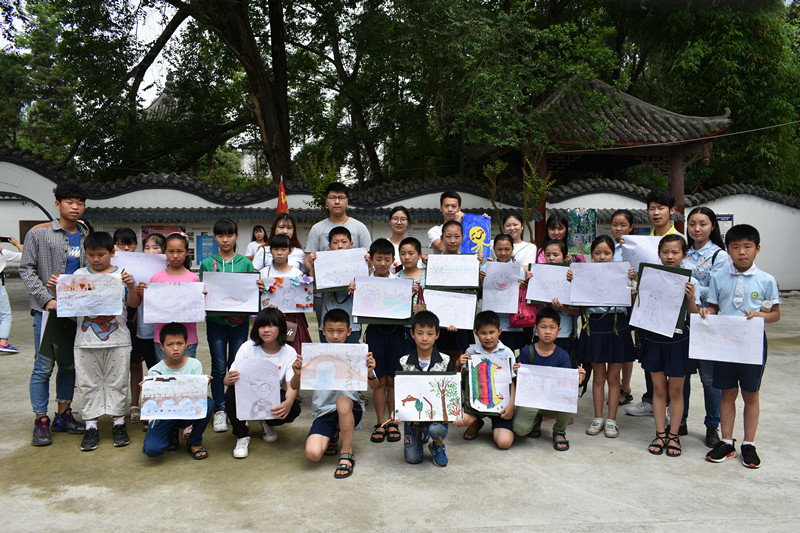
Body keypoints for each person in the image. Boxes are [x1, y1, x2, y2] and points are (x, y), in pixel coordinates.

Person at [47, 231, 141, 451]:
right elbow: (67, 304)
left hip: (118, 339)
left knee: (118, 382)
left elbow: (133, 304)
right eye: (91, 255)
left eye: (101, 254)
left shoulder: (122, 274)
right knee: (88, 384)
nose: (96, 259)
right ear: (86, 254)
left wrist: (131, 286)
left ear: (112, 252)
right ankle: (91, 426)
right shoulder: (79, 275)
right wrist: (55, 288)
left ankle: (119, 423)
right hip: (85, 341)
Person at [700, 224, 781, 469]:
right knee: (727, 392)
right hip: (724, 343)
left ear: (757, 249)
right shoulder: (718, 277)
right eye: (735, 247)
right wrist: (707, 311)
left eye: (747, 247)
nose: (742, 252)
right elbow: (714, 306)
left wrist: (761, 315)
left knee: (750, 393)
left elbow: (775, 314)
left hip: (752, 344)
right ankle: (726, 441)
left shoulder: (766, 280)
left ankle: (749, 444)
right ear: (728, 250)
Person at [19, 181, 89, 446]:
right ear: (58, 204)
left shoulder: (85, 236)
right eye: (70, 202)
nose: (75, 207)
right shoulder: (39, 234)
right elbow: (26, 268)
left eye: (80, 202)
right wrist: (46, 299)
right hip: (47, 311)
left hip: (76, 312)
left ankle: (63, 414)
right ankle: (41, 419)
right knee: (43, 366)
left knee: (69, 365)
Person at [299, 309, 380, 478]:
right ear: (323, 330)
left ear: (349, 331)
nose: (335, 335)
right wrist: (297, 373)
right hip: (324, 411)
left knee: (342, 401)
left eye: (340, 331)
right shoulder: (314, 354)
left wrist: (370, 372)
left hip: (350, 409)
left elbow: (375, 386)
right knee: (313, 454)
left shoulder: (357, 354)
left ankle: (347, 452)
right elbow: (294, 386)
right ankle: (333, 434)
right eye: (330, 331)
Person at [571, 235, 636, 438]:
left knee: (613, 377)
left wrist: (631, 281)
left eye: (607, 253)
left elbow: (633, 299)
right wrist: (572, 279)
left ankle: (612, 419)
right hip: (594, 327)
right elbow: (575, 300)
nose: (602, 257)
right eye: (597, 253)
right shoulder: (584, 274)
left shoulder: (624, 273)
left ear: (613, 254)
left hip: (617, 326)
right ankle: (598, 417)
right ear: (591, 255)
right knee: (599, 376)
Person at [641, 235, 699, 458]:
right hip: (655, 340)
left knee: (676, 391)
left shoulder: (691, 282)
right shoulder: (649, 278)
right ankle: (660, 433)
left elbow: (694, 316)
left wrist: (691, 298)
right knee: (659, 390)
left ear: (684, 255)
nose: (670, 256)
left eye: (675, 252)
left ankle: (673, 435)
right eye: (665, 252)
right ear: (658, 254)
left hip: (678, 341)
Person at [198, 218, 258, 433]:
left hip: (240, 322)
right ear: (215, 237)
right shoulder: (207, 263)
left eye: (229, 235)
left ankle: (235, 407)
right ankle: (220, 410)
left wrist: (258, 286)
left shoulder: (245, 263)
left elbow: (251, 291)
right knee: (218, 365)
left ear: (236, 236)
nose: (225, 239)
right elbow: (201, 291)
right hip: (216, 322)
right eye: (220, 235)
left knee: (236, 365)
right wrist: (202, 292)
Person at [627, 189, 680, 418]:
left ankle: (672, 407)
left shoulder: (680, 240)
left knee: (673, 362)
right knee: (649, 357)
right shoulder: (642, 242)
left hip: (673, 310)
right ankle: (650, 400)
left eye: (661, 208)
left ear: (672, 211)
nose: (656, 213)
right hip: (647, 308)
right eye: (652, 208)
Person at [223, 308, 303, 458]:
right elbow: (230, 379)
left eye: (272, 325)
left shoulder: (289, 352)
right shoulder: (248, 347)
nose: (266, 330)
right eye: (262, 326)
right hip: (247, 393)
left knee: (293, 408)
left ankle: (266, 422)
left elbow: (291, 385)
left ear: (281, 328)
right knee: (230, 394)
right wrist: (227, 380)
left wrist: (289, 402)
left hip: (270, 395)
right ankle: (241, 436)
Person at [684, 207, 729, 448]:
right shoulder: (683, 252)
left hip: (706, 322)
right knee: (681, 375)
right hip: (681, 321)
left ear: (713, 226)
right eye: (692, 224)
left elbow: (718, 291)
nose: (697, 229)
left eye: (702, 223)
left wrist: (691, 286)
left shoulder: (719, 256)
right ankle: (680, 420)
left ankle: (712, 425)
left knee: (709, 378)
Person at [512, 306, 586, 451]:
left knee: (569, 398)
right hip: (532, 399)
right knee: (520, 430)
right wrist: (516, 373)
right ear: (535, 329)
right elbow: (519, 383)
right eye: (543, 327)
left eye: (552, 327)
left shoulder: (562, 355)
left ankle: (559, 431)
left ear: (559, 330)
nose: (547, 331)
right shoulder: (527, 352)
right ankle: (536, 420)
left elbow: (566, 385)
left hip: (553, 400)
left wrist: (576, 379)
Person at [141, 322, 213, 460]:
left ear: (186, 344)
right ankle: (171, 433)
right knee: (152, 450)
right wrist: (146, 392)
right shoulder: (155, 371)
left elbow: (197, 397)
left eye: (180, 343)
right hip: (164, 415)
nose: (175, 348)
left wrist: (203, 385)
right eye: (169, 344)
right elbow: (154, 406)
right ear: (162, 346)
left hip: (186, 411)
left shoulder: (194, 365)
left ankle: (194, 442)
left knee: (208, 403)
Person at [358, 238, 405, 444]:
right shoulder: (363, 282)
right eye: (379, 259)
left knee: (393, 380)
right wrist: (355, 289)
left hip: (397, 333)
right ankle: (380, 422)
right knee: (379, 381)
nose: (383, 263)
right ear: (371, 259)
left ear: (393, 260)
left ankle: (393, 421)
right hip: (375, 333)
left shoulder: (400, 283)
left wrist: (410, 294)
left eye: (387, 259)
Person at [453, 311, 516, 449]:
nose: (488, 337)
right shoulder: (470, 352)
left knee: (504, 443)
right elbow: (463, 381)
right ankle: (476, 422)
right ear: (476, 333)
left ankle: (498, 425)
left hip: (501, 406)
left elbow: (512, 382)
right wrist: (458, 365)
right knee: (458, 418)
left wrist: (511, 405)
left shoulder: (507, 352)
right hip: (476, 404)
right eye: (483, 333)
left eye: (492, 332)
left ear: (499, 331)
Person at [398, 310, 451, 466]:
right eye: (420, 333)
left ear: (437, 335)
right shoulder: (403, 362)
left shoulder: (445, 361)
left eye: (430, 333)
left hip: (436, 415)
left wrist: (454, 413)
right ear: (412, 334)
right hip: (412, 417)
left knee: (437, 430)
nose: (425, 338)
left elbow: (450, 391)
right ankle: (422, 434)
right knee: (413, 459)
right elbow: (399, 390)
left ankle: (437, 445)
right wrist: (397, 411)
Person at [141, 232, 200, 361]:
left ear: (187, 252)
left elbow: (196, 308)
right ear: (165, 252)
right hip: (163, 339)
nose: (175, 255)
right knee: (165, 372)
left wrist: (202, 298)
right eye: (171, 251)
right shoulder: (156, 278)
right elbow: (151, 306)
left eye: (180, 251)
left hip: (187, 339)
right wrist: (144, 293)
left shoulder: (193, 279)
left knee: (186, 372)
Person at [129, 232, 166, 424]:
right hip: (145, 327)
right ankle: (152, 407)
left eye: (156, 247)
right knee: (152, 369)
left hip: (165, 329)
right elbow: (133, 301)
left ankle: (165, 407)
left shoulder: (168, 269)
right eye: (147, 247)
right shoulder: (137, 270)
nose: (151, 251)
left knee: (165, 368)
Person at [258, 233, 312, 354]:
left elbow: (304, 298)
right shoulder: (263, 273)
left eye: (283, 249)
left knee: (292, 350)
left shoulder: (297, 273)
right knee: (270, 349)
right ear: (270, 251)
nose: (279, 253)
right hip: (269, 319)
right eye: (276, 249)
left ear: (289, 251)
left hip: (292, 319)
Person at [308, 226, 362, 343]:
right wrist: (312, 266)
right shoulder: (322, 263)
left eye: (344, 242)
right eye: (335, 242)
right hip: (328, 324)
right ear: (329, 246)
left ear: (351, 244)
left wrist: (368, 265)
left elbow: (365, 291)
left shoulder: (359, 263)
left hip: (352, 324)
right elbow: (311, 286)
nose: (340, 246)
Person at [480, 233, 530, 351]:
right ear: (494, 249)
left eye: (507, 249)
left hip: (512, 323)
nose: (503, 253)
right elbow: (482, 293)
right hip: (492, 323)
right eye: (499, 249)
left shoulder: (519, 270)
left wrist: (523, 287)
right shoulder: (485, 268)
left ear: (512, 249)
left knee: (510, 354)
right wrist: (481, 281)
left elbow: (523, 296)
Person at [435, 221, 476, 359]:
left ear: (462, 238)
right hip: (440, 314)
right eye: (448, 236)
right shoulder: (434, 263)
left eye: (457, 236)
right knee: (440, 358)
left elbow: (473, 291)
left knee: (458, 359)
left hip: (461, 315)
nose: (453, 240)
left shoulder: (469, 262)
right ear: (442, 238)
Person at [305, 182, 372, 260]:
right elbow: (308, 258)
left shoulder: (360, 227)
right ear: (326, 201)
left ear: (347, 201)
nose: (337, 202)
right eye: (332, 197)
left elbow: (369, 255)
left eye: (341, 198)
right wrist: (310, 261)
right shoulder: (317, 229)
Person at [610, 209, 636, 405]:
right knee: (614, 346)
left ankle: (625, 386)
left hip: (630, 302)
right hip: (610, 302)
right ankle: (616, 384)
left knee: (626, 346)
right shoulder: (608, 246)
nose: (618, 228)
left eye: (623, 225)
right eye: (615, 225)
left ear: (631, 227)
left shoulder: (635, 248)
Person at [396, 237, 426, 352]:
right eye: (403, 253)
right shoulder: (396, 277)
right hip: (404, 327)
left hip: (425, 327)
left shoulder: (428, 276)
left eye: (411, 253)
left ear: (419, 255)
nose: (406, 257)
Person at [0, 235, 24, 353]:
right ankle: (3, 342)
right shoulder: (3, 253)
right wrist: (17, 244)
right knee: (5, 315)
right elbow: (24, 257)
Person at [387, 206, 411, 273]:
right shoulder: (384, 244)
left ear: (408, 222)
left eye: (403, 219)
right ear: (390, 222)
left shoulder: (412, 245)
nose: (399, 223)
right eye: (395, 219)